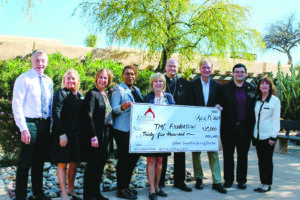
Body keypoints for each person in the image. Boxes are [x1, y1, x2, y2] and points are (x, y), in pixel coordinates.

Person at [12, 49, 53, 200]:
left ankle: (38, 194)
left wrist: (51, 126)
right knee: (25, 162)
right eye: (37, 60)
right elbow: (17, 105)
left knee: (39, 162)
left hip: (44, 124)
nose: (40, 64)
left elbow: (49, 106)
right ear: (31, 61)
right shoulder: (24, 79)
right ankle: (20, 196)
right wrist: (23, 128)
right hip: (29, 124)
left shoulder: (48, 81)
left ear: (47, 62)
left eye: (43, 61)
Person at [190, 60, 227, 194]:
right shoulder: (192, 84)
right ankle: (199, 178)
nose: (206, 70)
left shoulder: (217, 85)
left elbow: (220, 101)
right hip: (196, 122)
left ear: (211, 69)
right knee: (196, 152)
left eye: (208, 68)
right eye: (204, 67)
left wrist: (218, 105)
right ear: (200, 69)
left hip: (211, 124)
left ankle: (217, 182)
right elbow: (190, 102)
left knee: (213, 152)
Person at [219, 63, 256, 189]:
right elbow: (218, 103)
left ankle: (242, 180)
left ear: (246, 73)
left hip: (245, 128)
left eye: (242, 72)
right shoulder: (225, 88)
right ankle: (228, 180)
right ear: (232, 73)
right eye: (237, 71)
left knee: (243, 155)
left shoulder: (252, 88)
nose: (239, 74)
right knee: (228, 155)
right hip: (228, 128)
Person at [111, 65, 143, 199]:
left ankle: (126, 185)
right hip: (122, 129)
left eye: (132, 74)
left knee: (133, 159)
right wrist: (123, 107)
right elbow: (113, 109)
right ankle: (121, 189)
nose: (130, 76)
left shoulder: (137, 90)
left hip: (135, 131)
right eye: (127, 74)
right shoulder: (118, 89)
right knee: (124, 160)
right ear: (123, 76)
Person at [51, 69, 83, 200]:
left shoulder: (79, 95)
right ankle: (64, 193)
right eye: (68, 78)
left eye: (73, 78)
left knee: (74, 162)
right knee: (63, 163)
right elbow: (56, 113)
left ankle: (71, 189)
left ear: (78, 81)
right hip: (63, 134)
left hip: (76, 135)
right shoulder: (61, 94)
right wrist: (61, 134)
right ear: (64, 80)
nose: (71, 80)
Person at [162, 58, 192, 192]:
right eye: (169, 66)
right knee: (162, 154)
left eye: (174, 66)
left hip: (180, 124)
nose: (172, 68)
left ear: (178, 68)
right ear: (165, 67)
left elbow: (191, 103)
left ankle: (180, 181)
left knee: (180, 153)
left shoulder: (185, 83)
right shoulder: (159, 81)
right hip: (163, 124)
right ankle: (160, 181)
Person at [83, 69, 113, 200]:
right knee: (92, 165)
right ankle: (88, 195)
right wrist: (93, 135)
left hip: (106, 133)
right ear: (96, 78)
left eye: (105, 78)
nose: (103, 80)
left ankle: (96, 192)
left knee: (101, 165)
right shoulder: (92, 94)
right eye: (100, 77)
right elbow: (88, 116)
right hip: (95, 134)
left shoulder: (106, 94)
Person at [143, 73, 174, 200]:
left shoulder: (169, 97)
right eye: (155, 81)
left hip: (164, 134)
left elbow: (174, 113)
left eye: (160, 81)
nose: (158, 83)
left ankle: (157, 186)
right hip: (150, 134)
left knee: (160, 160)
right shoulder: (147, 97)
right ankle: (151, 190)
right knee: (151, 160)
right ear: (152, 84)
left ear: (164, 84)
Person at [253, 77, 280, 193]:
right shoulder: (257, 100)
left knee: (267, 160)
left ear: (270, 86)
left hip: (268, 136)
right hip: (257, 136)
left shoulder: (275, 101)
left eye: (266, 84)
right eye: (262, 84)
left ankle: (267, 183)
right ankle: (262, 182)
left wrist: (273, 136)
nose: (264, 86)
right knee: (260, 160)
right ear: (259, 86)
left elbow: (276, 121)